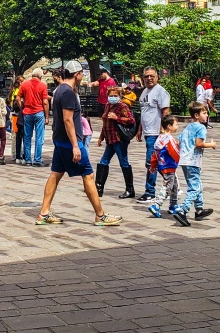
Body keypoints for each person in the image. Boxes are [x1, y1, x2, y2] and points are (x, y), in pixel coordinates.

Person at [36, 60, 120, 226]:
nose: (83, 77)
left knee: (55, 174)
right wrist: (76, 146)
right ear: (77, 74)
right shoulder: (67, 93)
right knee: (88, 175)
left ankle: (44, 213)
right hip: (69, 142)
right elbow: (68, 120)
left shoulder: (60, 90)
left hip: (60, 140)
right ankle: (100, 215)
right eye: (82, 74)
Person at [174, 102, 215, 227]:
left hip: (184, 160)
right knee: (195, 188)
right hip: (193, 161)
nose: (207, 115)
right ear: (197, 115)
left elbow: (178, 141)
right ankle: (183, 210)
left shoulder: (188, 127)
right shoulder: (201, 128)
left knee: (197, 184)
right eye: (204, 113)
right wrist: (211, 144)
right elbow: (199, 144)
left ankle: (199, 209)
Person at [136, 67, 171, 202]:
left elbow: (165, 112)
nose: (149, 78)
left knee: (151, 163)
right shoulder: (145, 92)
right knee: (157, 163)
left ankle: (150, 192)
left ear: (157, 77)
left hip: (156, 133)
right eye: (146, 76)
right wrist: (140, 129)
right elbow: (144, 112)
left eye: (152, 76)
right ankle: (173, 184)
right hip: (147, 132)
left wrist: (163, 131)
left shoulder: (160, 91)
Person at [95, 86, 137, 199]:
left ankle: (130, 189)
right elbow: (105, 123)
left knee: (123, 162)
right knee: (103, 161)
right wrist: (101, 137)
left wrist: (117, 118)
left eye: (115, 96)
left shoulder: (122, 106)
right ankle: (98, 187)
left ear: (119, 96)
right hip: (110, 139)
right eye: (111, 96)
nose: (113, 97)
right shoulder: (108, 105)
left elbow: (131, 120)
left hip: (119, 139)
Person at [148, 115, 180, 217]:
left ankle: (173, 205)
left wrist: (153, 165)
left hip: (163, 166)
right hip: (169, 166)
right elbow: (175, 152)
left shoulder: (160, 138)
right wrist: (182, 159)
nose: (177, 127)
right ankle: (156, 205)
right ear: (169, 126)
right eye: (176, 125)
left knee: (175, 185)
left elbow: (155, 153)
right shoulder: (169, 139)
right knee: (168, 187)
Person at [19, 67, 49, 167]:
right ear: (40, 76)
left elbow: (18, 98)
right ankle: (37, 159)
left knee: (27, 137)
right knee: (39, 137)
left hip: (27, 112)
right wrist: (47, 116)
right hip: (39, 112)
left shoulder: (24, 84)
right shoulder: (42, 85)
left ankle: (28, 159)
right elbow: (45, 102)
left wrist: (22, 107)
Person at [9, 77, 25, 164]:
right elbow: (18, 101)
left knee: (15, 135)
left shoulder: (13, 90)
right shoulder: (18, 90)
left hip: (14, 114)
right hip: (18, 115)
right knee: (19, 135)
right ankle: (18, 154)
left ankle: (15, 154)